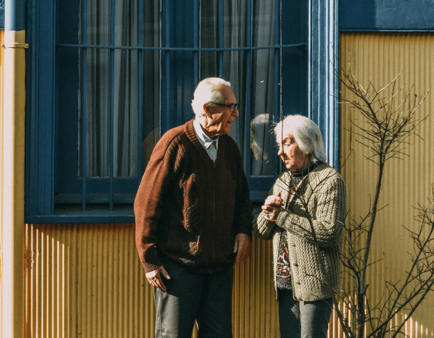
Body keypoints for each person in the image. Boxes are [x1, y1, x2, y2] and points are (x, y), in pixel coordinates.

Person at [134, 77, 253, 338]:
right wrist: (150, 260)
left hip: (220, 267)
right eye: (230, 106)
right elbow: (146, 202)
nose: (236, 112)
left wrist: (244, 231)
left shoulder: (230, 148)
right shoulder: (174, 143)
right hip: (178, 268)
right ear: (208, 109)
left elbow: (242, 198)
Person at [252, 115, 346, 338]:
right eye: (278, 145)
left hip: (315, 283)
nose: (279, 152)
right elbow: (260, 232)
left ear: (306, 144)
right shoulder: (283, 181)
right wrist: (268, 212)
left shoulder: (328, 180)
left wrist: (282, 216)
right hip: (285, 283)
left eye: (287, 143)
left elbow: (329, 232)